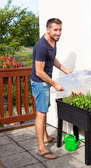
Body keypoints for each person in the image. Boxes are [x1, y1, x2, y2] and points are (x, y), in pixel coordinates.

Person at [31, 18, 72, 159]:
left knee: (44, 110)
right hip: (40, 83)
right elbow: (39, 72)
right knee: (41, 113)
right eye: (55, 30)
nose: (58, 33)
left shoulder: (52, 42)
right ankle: (41, 148)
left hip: (45, 82)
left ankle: (46, 136)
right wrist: (55, 83)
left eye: (60, 29)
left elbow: (52, 58)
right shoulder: (41, 46)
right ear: (48, 29)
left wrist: (64, 69)